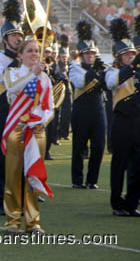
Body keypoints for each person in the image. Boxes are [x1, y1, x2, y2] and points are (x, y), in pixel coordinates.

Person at [3, 39, 53, 234]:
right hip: (17, 128)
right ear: (20, 54)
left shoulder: (45, 78)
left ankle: (33, 221)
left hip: (37, 130)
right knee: (13, 175)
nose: (34, 54)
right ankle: (13, 221)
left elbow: (49, 105)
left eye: (37, 51)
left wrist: (42, 121)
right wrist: (33, 73)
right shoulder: (12, 72)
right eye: (30, 51)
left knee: (34, 174)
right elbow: (12, 89)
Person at [0, 0, 24, 215]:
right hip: (4, 112)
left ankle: (20, 195)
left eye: (20, 35)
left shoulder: (26, 58)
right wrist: (21, 60)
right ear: (5, 39)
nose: (18, 39)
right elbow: (0, 76)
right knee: (2, 159)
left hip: (22, 114)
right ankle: (1, 199)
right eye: (14, 36)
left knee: (22, 157)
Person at [105, 18, 140, 217]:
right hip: (121, 123)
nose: (130, 57)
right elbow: (111, 83)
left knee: (137, 165)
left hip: (138, 122)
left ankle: (131, 203)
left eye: (132, 54)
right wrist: (132, 67)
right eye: (127, 55)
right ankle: (117, 203)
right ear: (119, 57)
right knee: (120, 164)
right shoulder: (113, 71)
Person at [69, 20, 106, 189]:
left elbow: (109, 86)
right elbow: (80, 83)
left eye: (93, 53)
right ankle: (77, 180)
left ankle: (92, 180)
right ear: (82, 55)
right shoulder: (75, 68)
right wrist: (95, 71)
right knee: (79, 146)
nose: (90, 56)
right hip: (81, 111)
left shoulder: (101, 69)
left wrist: (103, 72)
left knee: (98, 146)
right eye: (87, 53)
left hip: (98, 110)